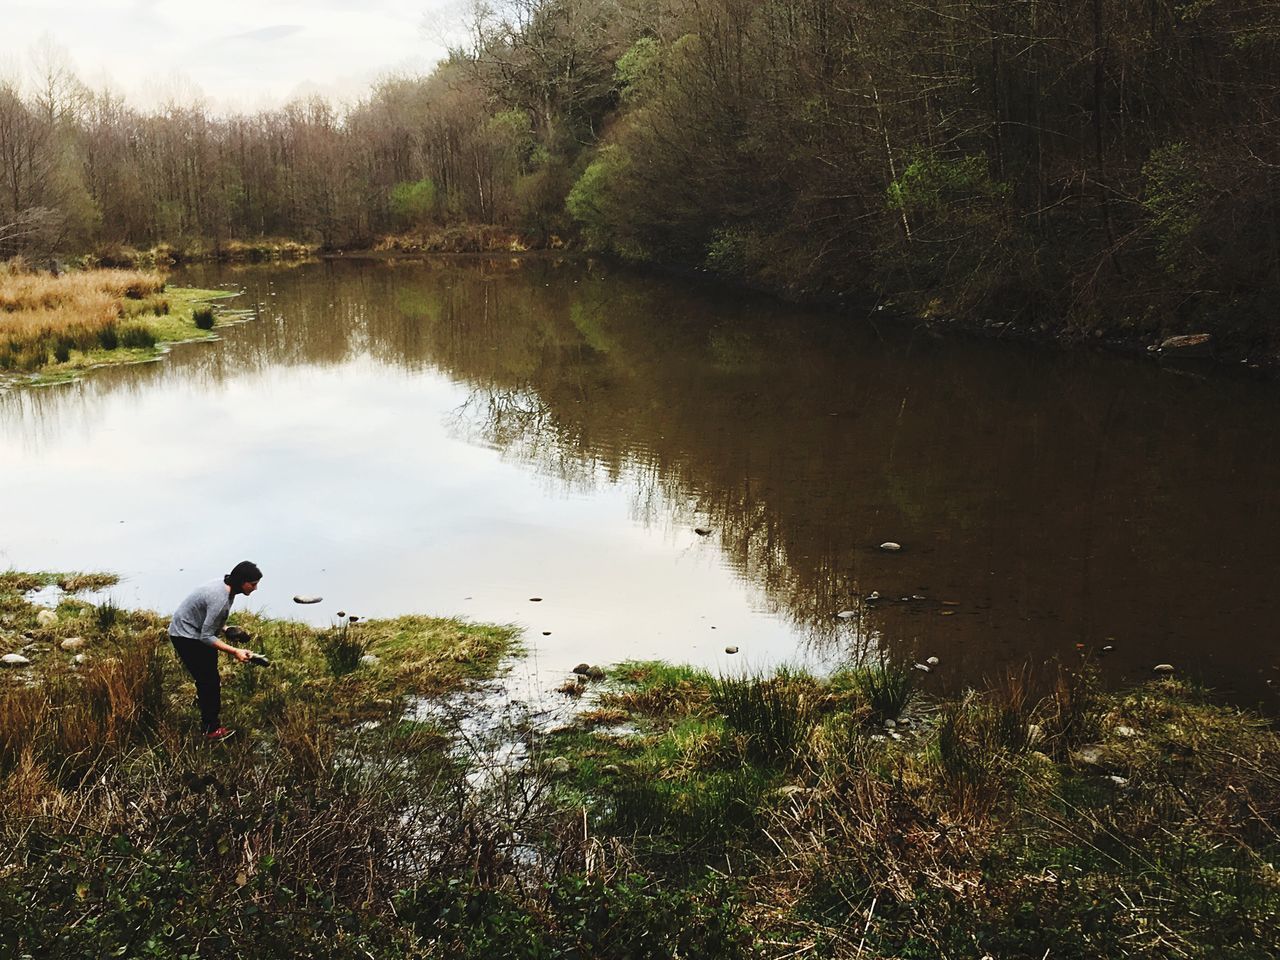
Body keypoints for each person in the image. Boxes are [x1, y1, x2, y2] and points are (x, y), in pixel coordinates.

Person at [168, 560, 262, 741]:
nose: (255, 588)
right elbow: (206, 637)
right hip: (186, 636)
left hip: (194, 631)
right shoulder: (220, 598)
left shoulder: (226, 586)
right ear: (242, 582)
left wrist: (226, 629)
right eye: (253, 584)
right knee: (208, 681)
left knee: (209, 678)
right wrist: (235, 651)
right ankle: (210, 729)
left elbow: (208, 616)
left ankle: (207, 711)